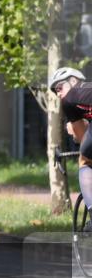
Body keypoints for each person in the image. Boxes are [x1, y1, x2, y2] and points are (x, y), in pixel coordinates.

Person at [50, 66, 92, 226]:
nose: (59, 94)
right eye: (56, 92)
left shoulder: (70, 99)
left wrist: (74, 130)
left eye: (59, 88)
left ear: (74, 81)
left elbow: (81, 138)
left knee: (85, 161)